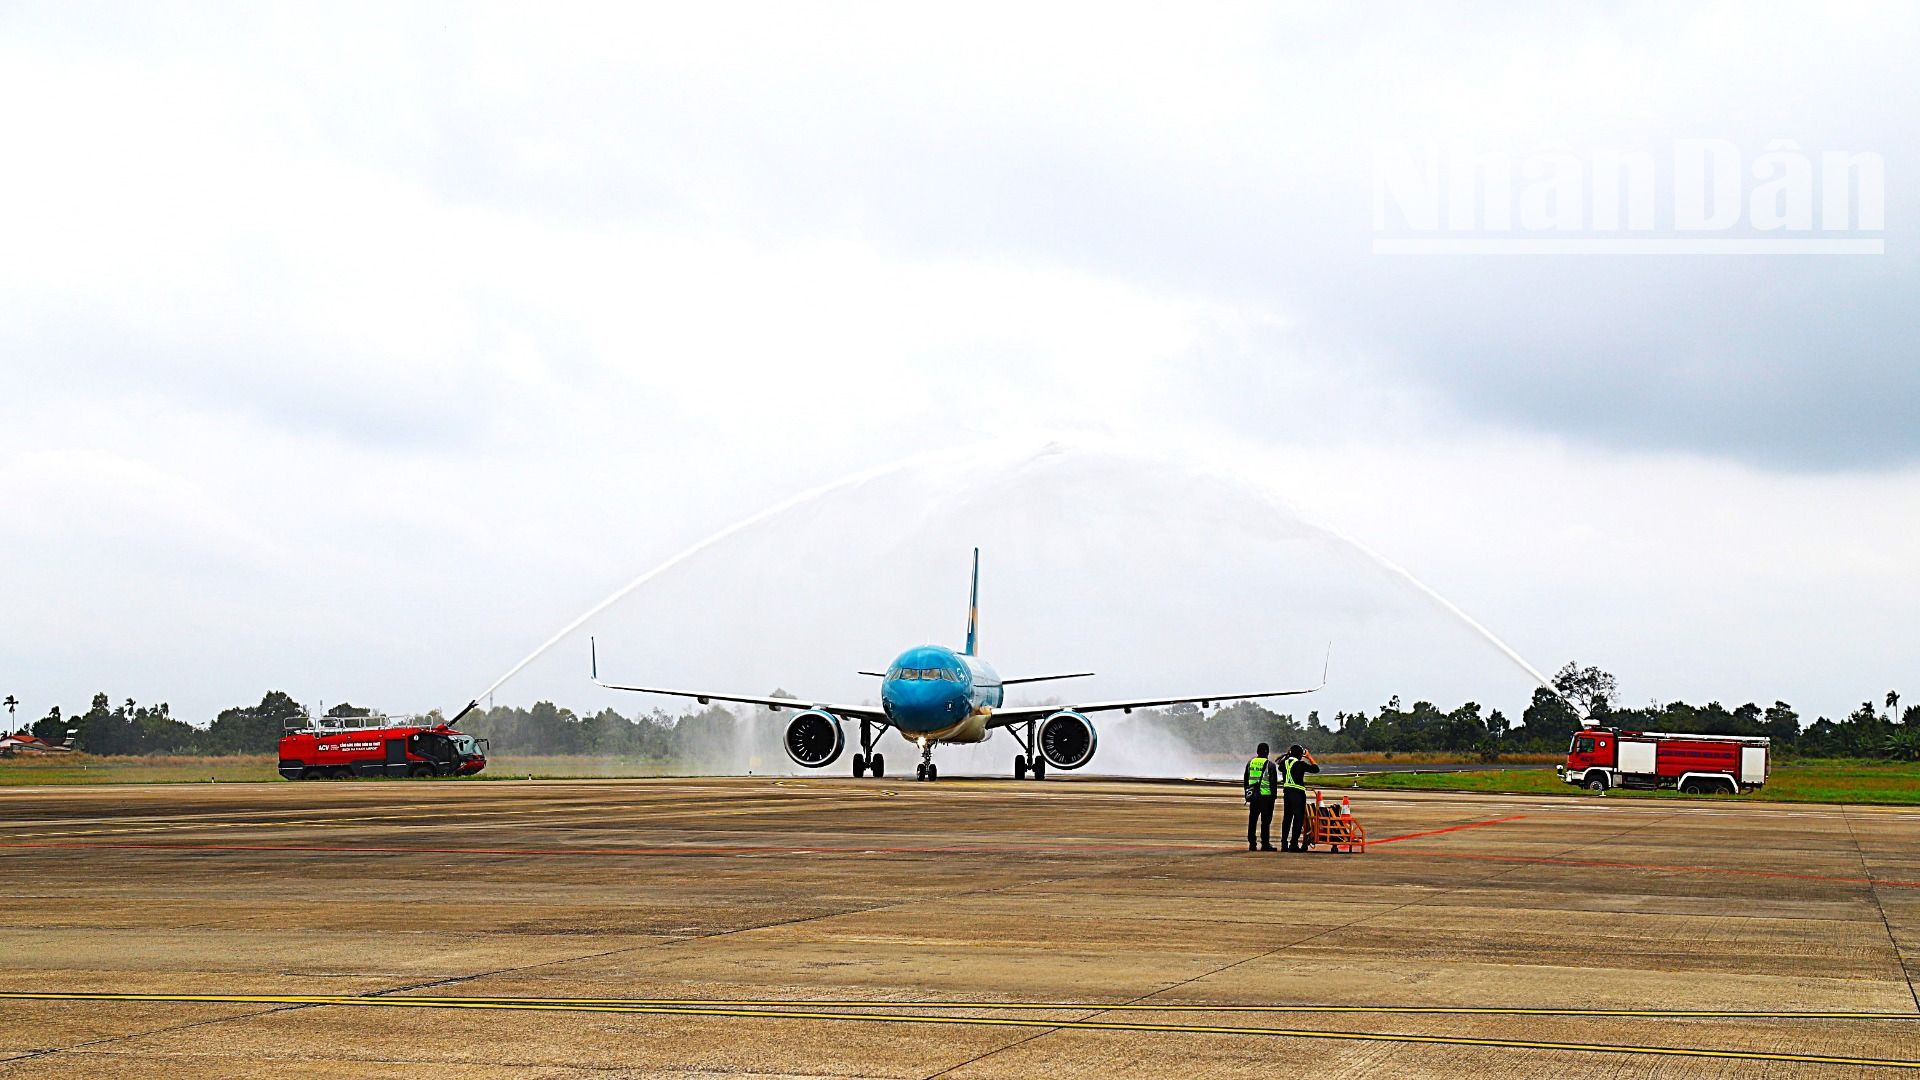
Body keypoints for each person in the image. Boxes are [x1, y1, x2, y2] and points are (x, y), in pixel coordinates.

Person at [1278, 743, 1320, 852]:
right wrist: (1309, 757)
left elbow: (1280, 766)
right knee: (1298, 819)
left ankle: (1284, 844)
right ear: (1300, 754)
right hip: (1298, 794)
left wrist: (1288, 754)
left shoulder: (1284, 763)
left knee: (1287, 818)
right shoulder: (1300, 764)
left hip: (1287, 794)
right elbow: (1316, 769)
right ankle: (1293, 844)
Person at [1244, 742, 1278, 852]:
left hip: (1254, 797)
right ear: (1268, 752)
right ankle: (1265, 844)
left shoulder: (1250, 763)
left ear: (1257, 751)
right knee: (1265, 822)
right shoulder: (1270, 765)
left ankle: (1252, 844)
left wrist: (1248, 794)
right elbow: (1273, 783)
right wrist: (1274, 797)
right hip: (1266, 797)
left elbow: (1246, 780)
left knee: (1252, 821)